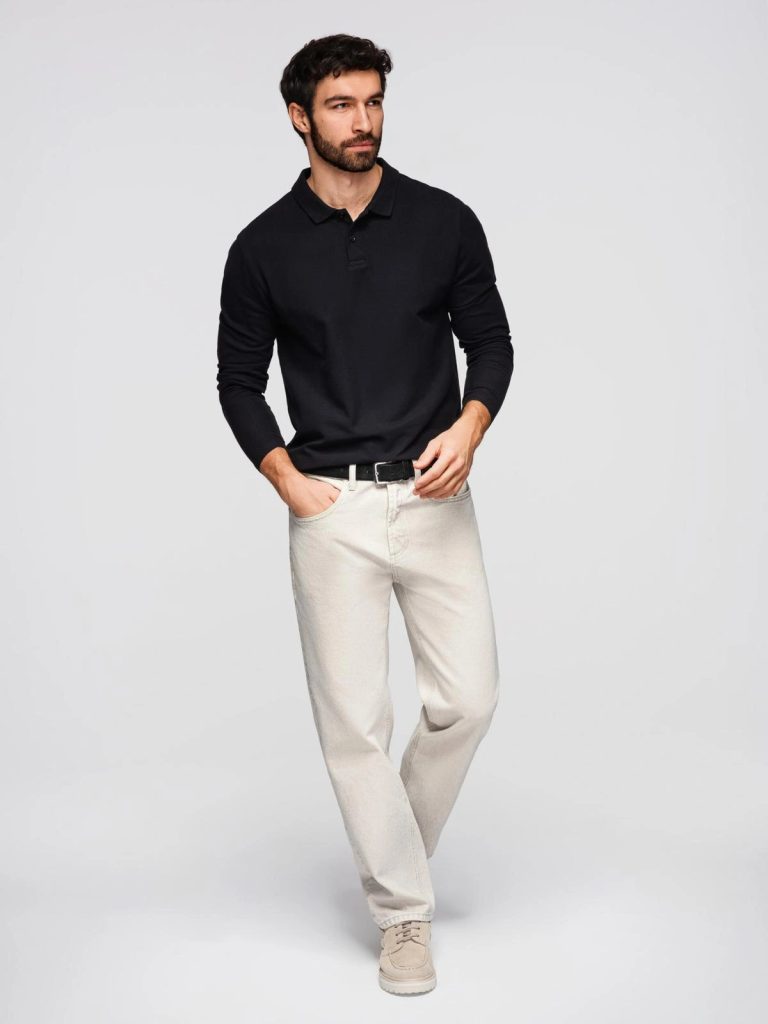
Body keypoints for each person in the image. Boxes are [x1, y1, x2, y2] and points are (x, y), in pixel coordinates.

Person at [216, 33, 513, 996]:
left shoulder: (443, 221)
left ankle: (394, 860)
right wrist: (285, 479)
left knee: (468, 700)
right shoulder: (261, 247)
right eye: (341, 104)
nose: (363, 120)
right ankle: (403, 916)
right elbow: (237, 381)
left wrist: (471, 426)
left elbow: (492, 344)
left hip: (435, 495)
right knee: (355, 725)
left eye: (373, 101)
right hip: (330, 507)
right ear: (299, 117)